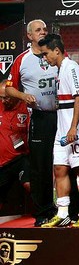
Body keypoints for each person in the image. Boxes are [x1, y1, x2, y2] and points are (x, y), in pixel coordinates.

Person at [6, 19, 79, 226]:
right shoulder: (22, 60)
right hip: (40, 117)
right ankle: (44, 211)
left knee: (68, 163)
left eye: (45, 29)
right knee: (40, 166)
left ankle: (72, 210)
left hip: (63, 115)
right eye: (38, 30)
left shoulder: (59, 57)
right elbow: (9, 88)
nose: (42, 32)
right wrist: (22, 96)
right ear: (29, 36)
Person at [38, 34, 79, 228]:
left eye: (46, 54)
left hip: (76, 129)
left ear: (57, 50)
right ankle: (63, 213)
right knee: (60, 169)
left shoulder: (71, 68)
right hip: (62, 129)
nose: (45, 58)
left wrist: (73, 127)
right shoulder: (60, 70)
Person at [0, 80, 30, 211]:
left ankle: (45, 211)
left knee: (29, 184)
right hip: (2, 162)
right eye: (0, 97)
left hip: (21, 158)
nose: (3, 101)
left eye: (6, 97)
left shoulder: (26, 109)